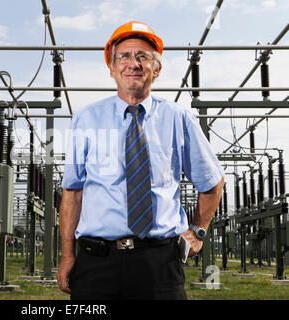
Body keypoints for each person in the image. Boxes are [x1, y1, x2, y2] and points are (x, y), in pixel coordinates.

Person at [57, 21, 224, 300]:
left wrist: (197, 231)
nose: (132, 64)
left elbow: (212, 182)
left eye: (142, 57)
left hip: (158, 263)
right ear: (112, 68)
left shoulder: (178, 118)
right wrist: (66, 255)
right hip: (96, 263)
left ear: (156, 69)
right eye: (123, 56)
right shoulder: (86, 119)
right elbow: (72, 192)